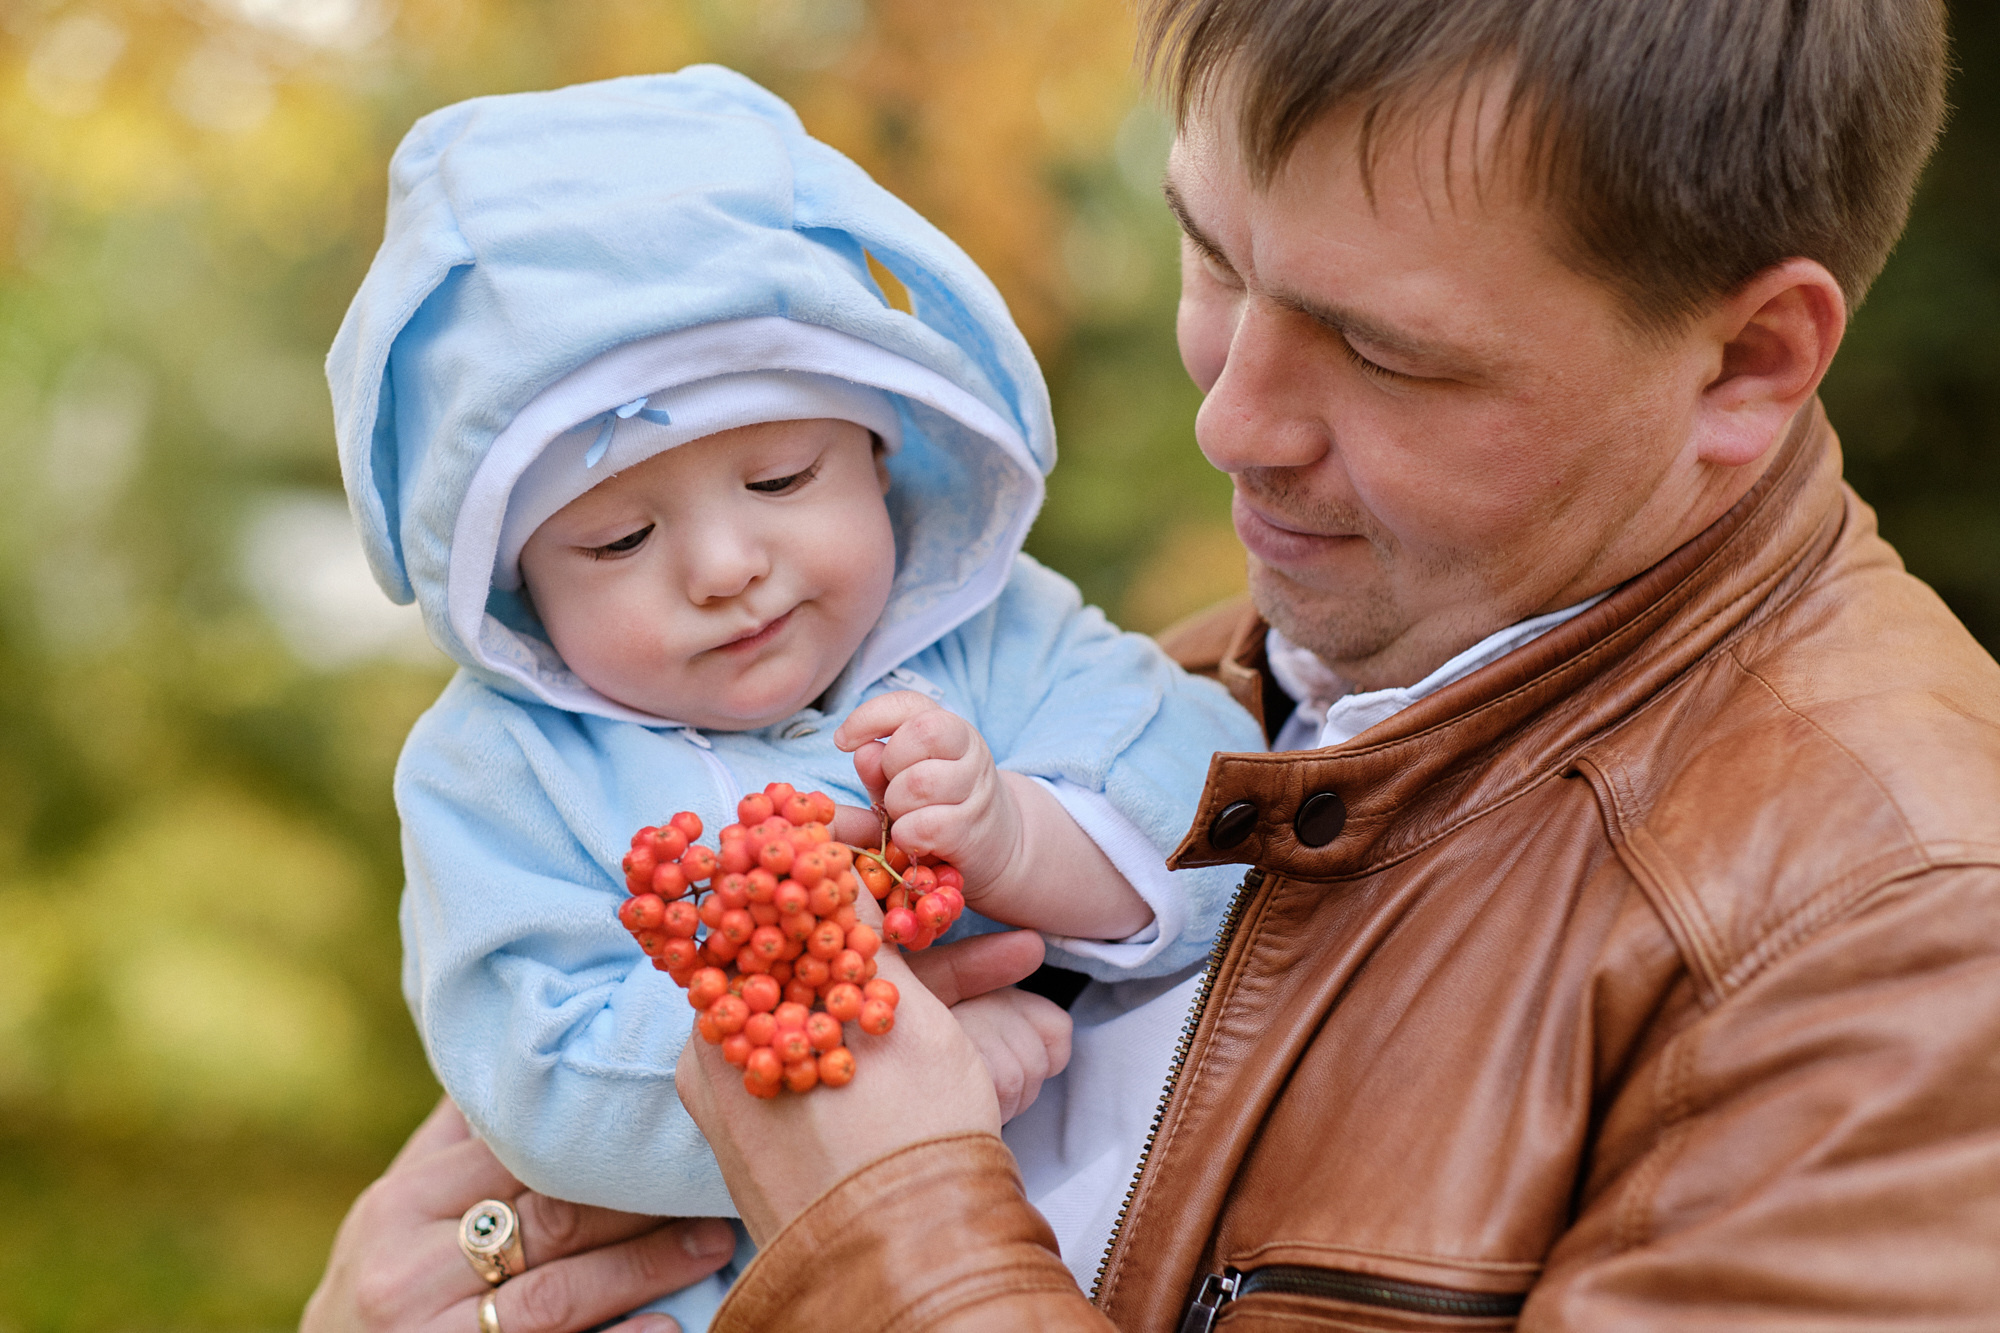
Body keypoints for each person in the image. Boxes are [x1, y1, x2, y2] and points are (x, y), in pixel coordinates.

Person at [659, 0, 2000, 1327]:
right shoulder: (1156, 699)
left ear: (1747, 363)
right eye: (1216, 262)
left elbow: (880, 1220)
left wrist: (888, 1235)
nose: (1231, 420)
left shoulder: (1908, 945)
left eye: (1382, 352)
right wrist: (485, 1275)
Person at [323, 66, 1265, 1331]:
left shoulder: (992, 639)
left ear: (883, 453)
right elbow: (532, 1061)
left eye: (778, 477)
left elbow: (1213, 806)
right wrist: (870, 1055)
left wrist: (1021, 836)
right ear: (517, 593)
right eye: (614, 541)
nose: (724, 568)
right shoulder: (498, 769)